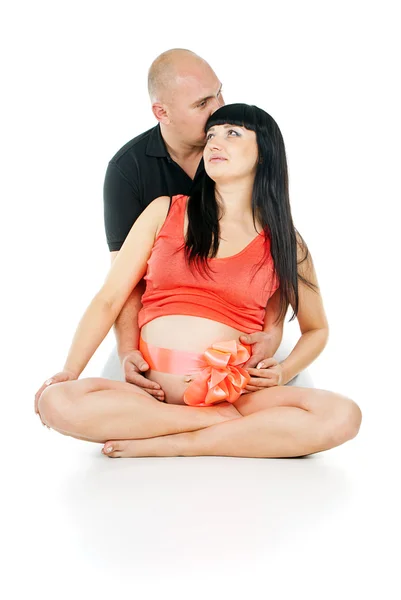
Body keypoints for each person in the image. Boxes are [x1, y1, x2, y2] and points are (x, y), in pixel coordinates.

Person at [34, 103, 362, 459]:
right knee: (56, 402)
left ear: (265, 154)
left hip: (236, 395)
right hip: (151, 395)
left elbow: (317, 329)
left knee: (343, 416)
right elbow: (109, 299)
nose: (214, 143)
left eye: (232, 133)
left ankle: (178, 442)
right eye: (211, 136)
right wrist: (70, 370)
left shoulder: (285, 242)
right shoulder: (165, 211)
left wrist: (283, 373)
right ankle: (213, 426)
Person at [100, 47, 311, 398]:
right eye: (202, 104)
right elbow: (122, 282)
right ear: (161, 112)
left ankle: (195, 432)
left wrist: (273, 333)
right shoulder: (129, 170)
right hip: (158, 335)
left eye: (219, 93)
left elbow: (270, 257)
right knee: (90, 407)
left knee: (313, 412)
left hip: (240, 340)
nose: (219, 109)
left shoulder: (237, 152)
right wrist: (127, 351)